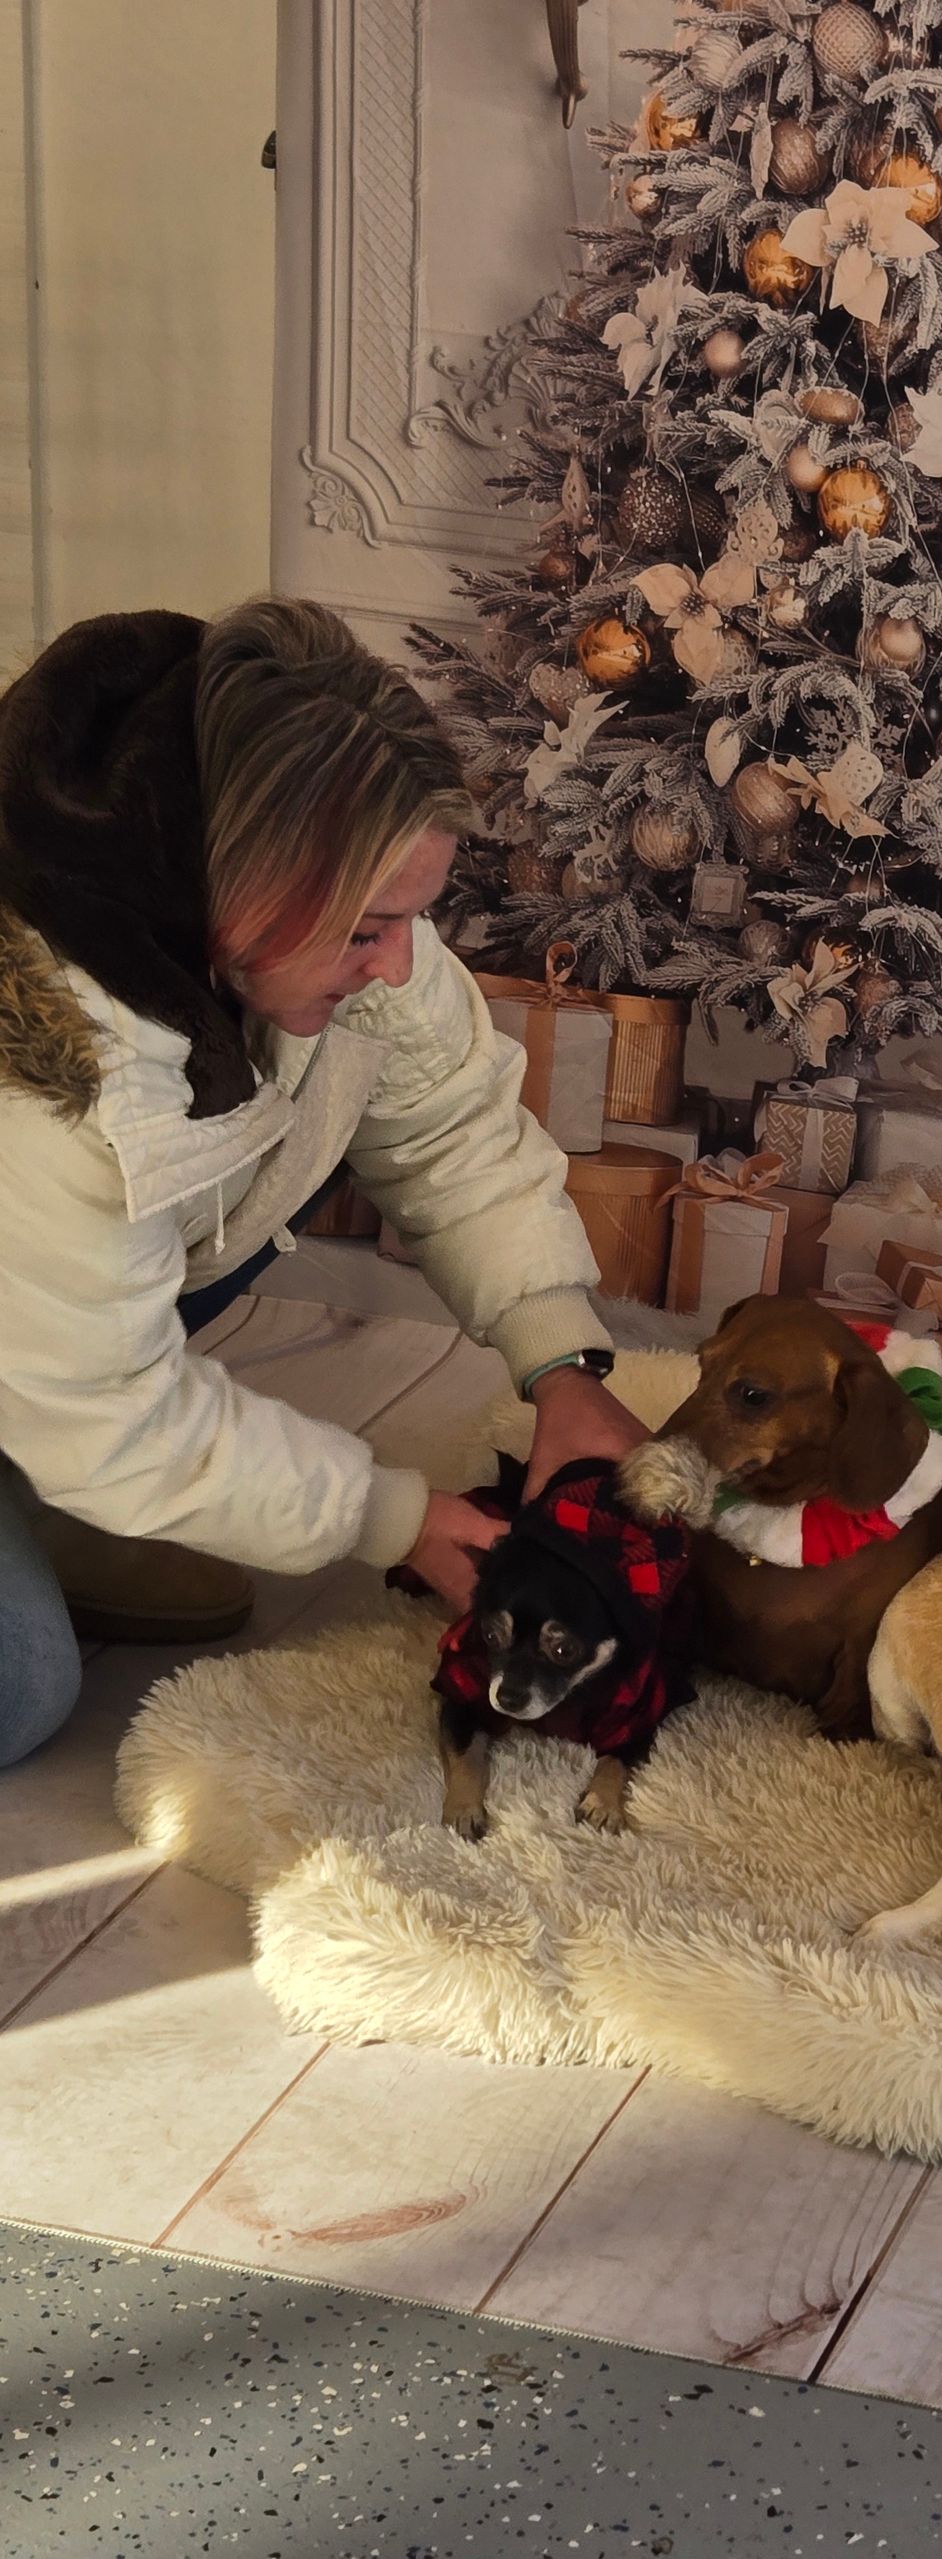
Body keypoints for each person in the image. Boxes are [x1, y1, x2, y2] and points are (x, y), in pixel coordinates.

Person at [0, 598, 643, 1766]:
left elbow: (447, 1120)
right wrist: (390, 1516)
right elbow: (112, 1412)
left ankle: (45, 1469)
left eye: (409, 921)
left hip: (38, 1317)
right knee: (18, 1687)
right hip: (44, 1305)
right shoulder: (52, 1081)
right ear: (248, 878)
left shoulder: (307, 896)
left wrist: (561, 1362)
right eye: (368, 931)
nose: (397, 963)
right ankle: (46, 1467)